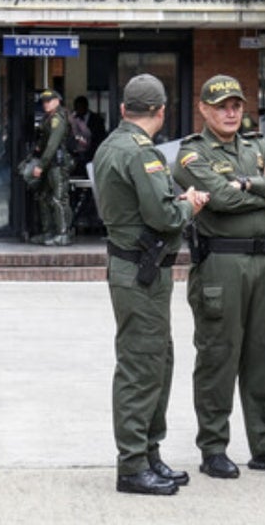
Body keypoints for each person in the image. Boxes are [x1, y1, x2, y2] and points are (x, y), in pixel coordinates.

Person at [172, 74, 265, 480]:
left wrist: (247, 181)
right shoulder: (191, 155)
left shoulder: (257, 145)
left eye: (236, 105)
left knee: (264, 355)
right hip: (221, 265)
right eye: (221, 106)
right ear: (204, 109)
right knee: (218, 355)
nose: (230, 112)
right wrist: (259, 190)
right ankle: (213, 447)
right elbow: (222, 199)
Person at [93, 74, 209, 496]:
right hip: (140, 271)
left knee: (157, 360)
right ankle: (132, 465)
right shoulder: (143, 155)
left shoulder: (112, 145)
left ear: (124, 109)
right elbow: (164, 217)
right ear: (161, 112)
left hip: (140, 270)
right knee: (141, 367)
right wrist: (190, 205)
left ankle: (148, 453)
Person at [27, 89, 73, 246]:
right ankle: (48, 232)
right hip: (50, 164)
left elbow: (53, 144)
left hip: (57, 164)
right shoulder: (49, 118)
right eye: (44, 101)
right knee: (43, 198)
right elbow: (44, 142)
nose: (46, 104)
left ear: (57, 101)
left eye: (49, 101)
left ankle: (63, 234)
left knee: (58, 199)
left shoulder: (58, 118)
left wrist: (40, 165)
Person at [67, 95, 92, 177]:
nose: (79, 110)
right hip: (74, 156)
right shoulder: (72, 120)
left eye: (81, 107)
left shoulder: (96, 120)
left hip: (90, 157)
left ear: (86, 107)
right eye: (77, 107)